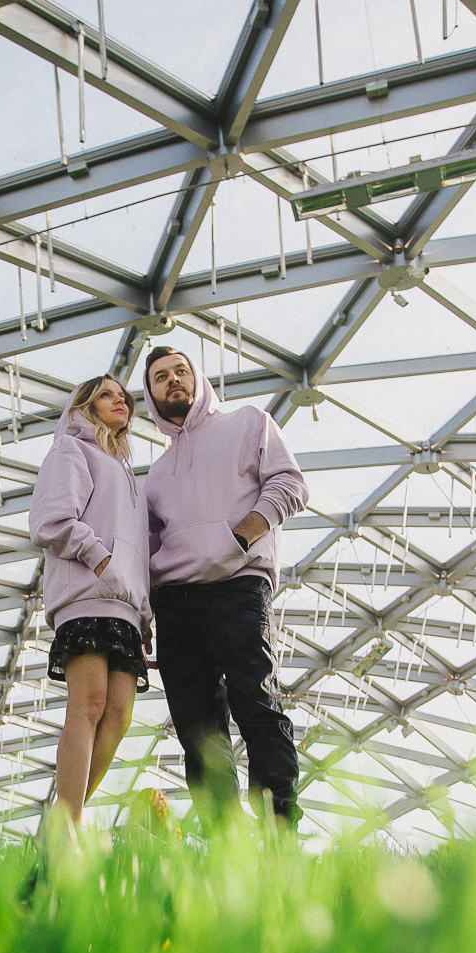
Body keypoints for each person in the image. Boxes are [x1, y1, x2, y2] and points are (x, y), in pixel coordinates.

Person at [141, 345, 308, 823]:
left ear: (197, 378)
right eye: (160, 377)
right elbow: (148, 548)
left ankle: (279, 831)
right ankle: (225, 846)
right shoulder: (155, 476)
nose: (173, 380)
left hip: (238, 585)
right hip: (175, 603)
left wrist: (239, 539)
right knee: (198, 730)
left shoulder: (248, 423)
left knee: (258, 704)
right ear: (151, 396)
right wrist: (145, 616)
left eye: (180, 371)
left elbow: (290, 485)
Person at [28, 374, 152, 830]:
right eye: (106, 395)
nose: (120, 401)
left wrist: (145, 614)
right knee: (90, 703)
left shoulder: (128, 475)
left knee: (118, 715)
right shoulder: (71, 450)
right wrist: (100, 559)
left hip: (126, 607)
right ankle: (69, 828)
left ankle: (57, 824)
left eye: (124, 397)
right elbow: (51, 519)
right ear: (85, 406)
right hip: (86, 595)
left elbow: (140, 553)